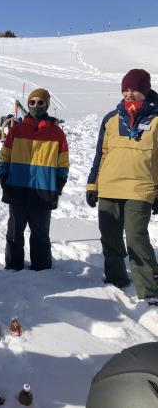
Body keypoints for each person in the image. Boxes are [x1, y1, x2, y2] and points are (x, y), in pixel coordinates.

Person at [86, 69, 158, 302]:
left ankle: (149, 291)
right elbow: (101, 153)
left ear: (145, 90)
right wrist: (92, 185)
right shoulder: (111, 118)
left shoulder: (156, 119)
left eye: (134, 89)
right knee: (110, 237)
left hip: (141, 187)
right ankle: (115, 279)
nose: (128, 94)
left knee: (136, 237)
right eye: (125, 89)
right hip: (109, 186)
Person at [0, 88, 69, 271]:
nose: (36, 105)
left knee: (40, 233)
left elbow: (63, 164)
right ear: (28, 104)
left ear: (47, 105)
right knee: (14, 231)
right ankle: (13, 266)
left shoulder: (56, 133)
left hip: (43, 190)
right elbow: (5, 157)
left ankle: (42, 267)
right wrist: (4, 178)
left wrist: (58, 184)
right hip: (17, 188)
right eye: (32, 102)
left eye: (40, 102)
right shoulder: (16, 130)